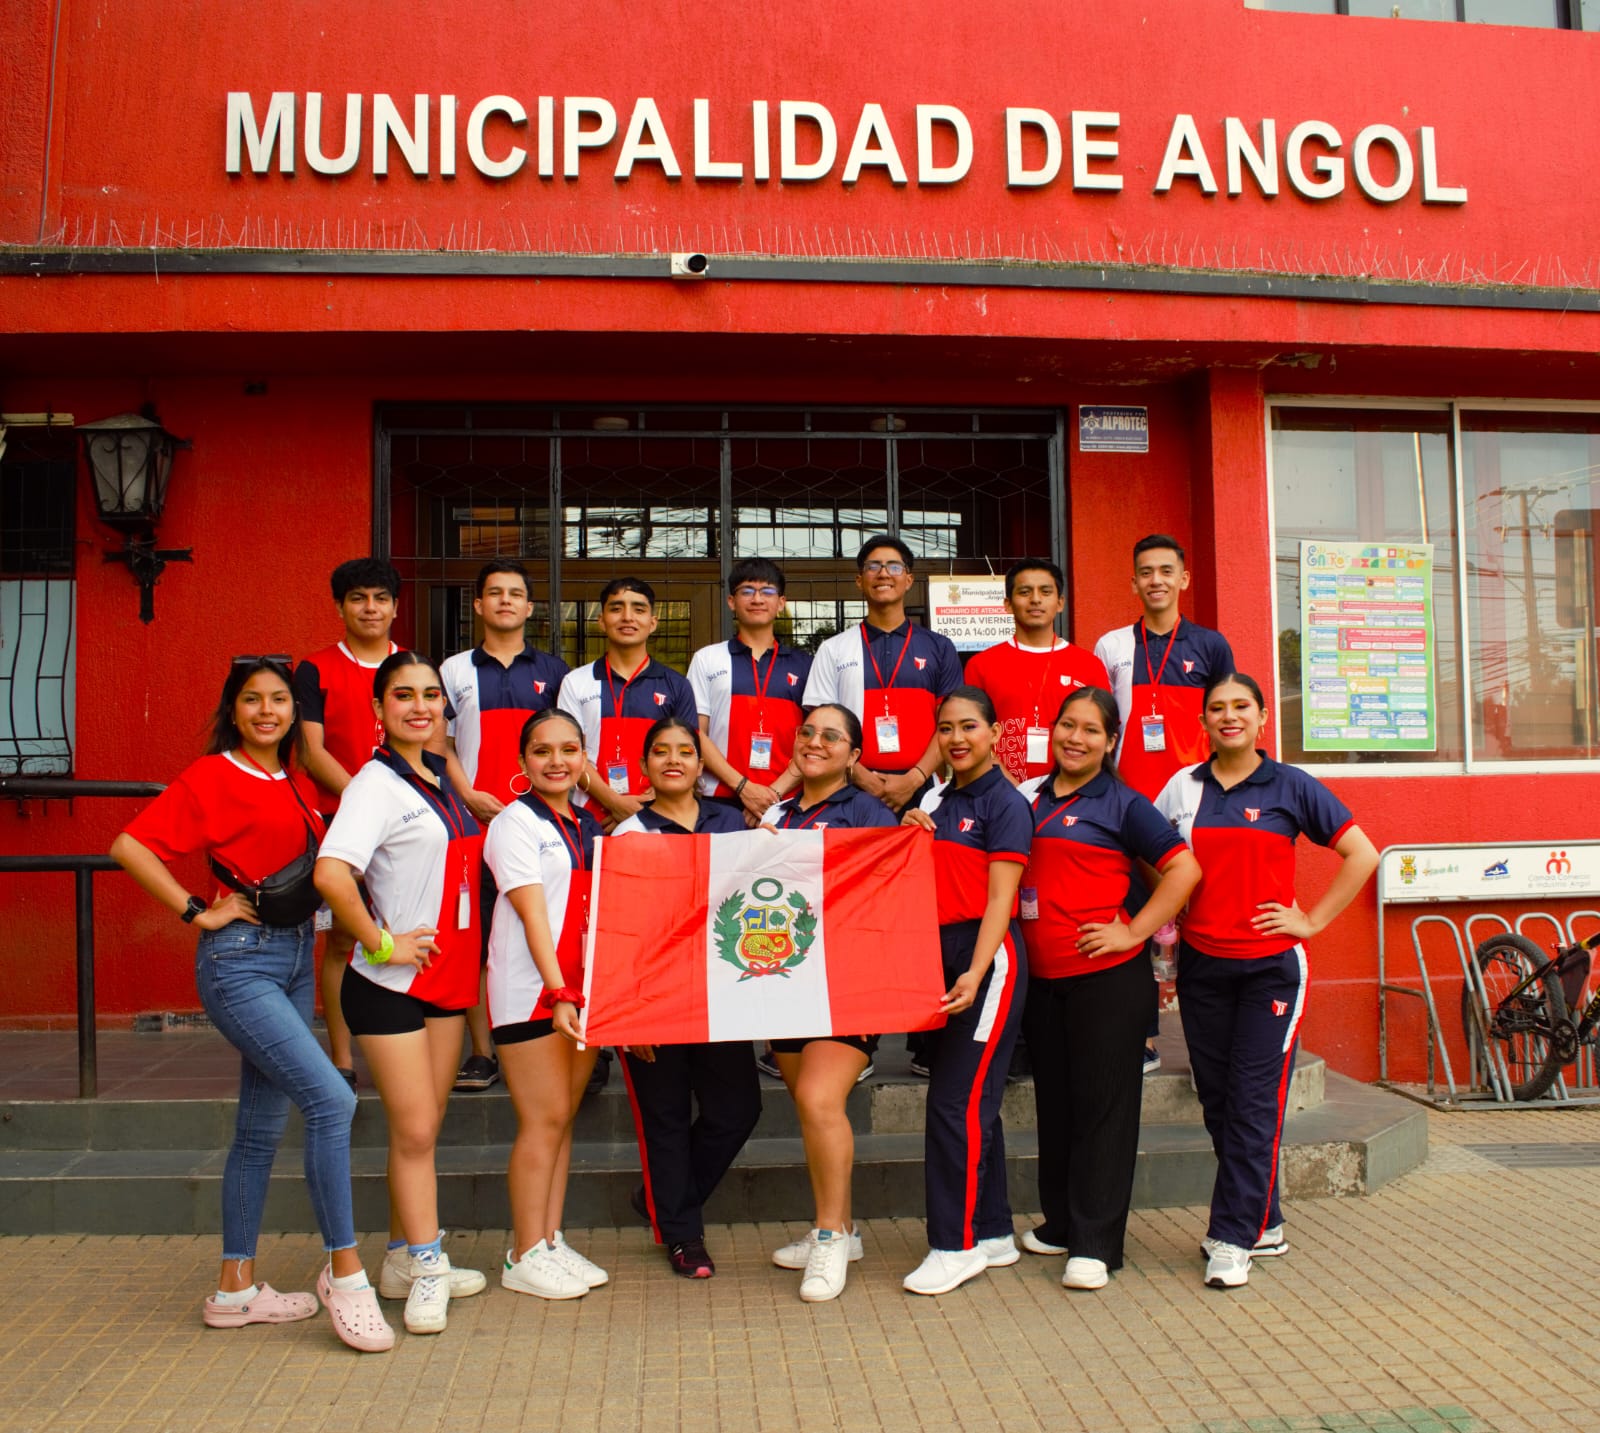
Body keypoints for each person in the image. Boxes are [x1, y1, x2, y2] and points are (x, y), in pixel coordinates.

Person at [110, 656, 392, 1352]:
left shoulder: (298, 781)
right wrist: (194, 910)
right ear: (232, 711)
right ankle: (346, 1273)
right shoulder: (211, 775)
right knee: (334, 1100)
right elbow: (128, 844)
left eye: (280, 700)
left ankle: (236, 1289)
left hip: (297, 958)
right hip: (240, 962)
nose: (267, 710)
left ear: (295, 713)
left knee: (260, 1126)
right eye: (252, 700)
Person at [1155, 673, 1378, 1290]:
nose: (1228, 717)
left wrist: (1309, 921)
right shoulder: (1183, 787)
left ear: (1261, 718)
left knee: (1255, 1103)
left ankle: (1233, 1237)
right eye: (1217, 709)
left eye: (1240, 708)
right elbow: (1150, 855)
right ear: (1203, 721)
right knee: (1220, 1101)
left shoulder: (1290, 785)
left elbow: (1363, 854)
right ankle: (1266, 1218)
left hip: (1271, 970)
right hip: (1201, 967)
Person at [312, 651, 489, 1335]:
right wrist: (382, 941)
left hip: (445, 981)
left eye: (431, 695)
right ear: (379, 711)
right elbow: (332, 874)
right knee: (414, 1129)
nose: (420, 706)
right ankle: (428, 1262)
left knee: (423, 1130)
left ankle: (399, 1258)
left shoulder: (441, 774)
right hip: (390, 984)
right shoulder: (374, 785)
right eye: (404, 696)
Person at [1015, 687, 1201, 1290]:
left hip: (1106, 983)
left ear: (1111, 740)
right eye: (1066, 725)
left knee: (1104, 1113)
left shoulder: (1123, 803)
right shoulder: (1030, 798)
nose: (1075, 737)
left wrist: (1133, 932)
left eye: (1091, 730)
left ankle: (1097, 1244)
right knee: (1058, 1107)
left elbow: (1184, 870)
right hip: (1042, 983)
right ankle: (1063, 1223)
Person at [612, 717, 761, 1278]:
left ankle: (661, 1198)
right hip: (652, 1000)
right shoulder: (628, 836)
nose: (673, 760)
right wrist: (627, 1016)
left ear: (702, 766)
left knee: (738, 1109)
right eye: (660, 752)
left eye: (685, 752)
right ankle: (682, 1235)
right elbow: (618, 933)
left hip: (722, 996)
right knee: (666, 1119)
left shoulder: (733, 824)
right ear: (645, 765)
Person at [760, 703, 897, 1303]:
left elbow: (882, 897)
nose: (816, 742)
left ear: (853, 755)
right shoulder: (778, 812)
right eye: (808, 732)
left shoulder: (869, 811)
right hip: (784, 984)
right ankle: (843, 1226)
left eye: (832, 736)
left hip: (845, 985)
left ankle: (828, 1238)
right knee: (809, 1109)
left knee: (819, 1100)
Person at [899, 687, 1031, 1296]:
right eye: (946, 729)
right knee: (973, 1103)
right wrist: (910, 829)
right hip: (939, 956)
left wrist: (975, 973)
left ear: (995, 731)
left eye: (969, 727)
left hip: (985, 962)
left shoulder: (1005, 803)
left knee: (953, 1105)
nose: (956, 739)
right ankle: (995, 1230)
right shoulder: (938, 796)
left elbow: (1001, 901)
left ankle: (954, 1245)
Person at [1093, 535, 1234, 1075]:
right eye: (1145, 572)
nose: (1155, 580)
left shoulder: (1210, 645)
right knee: (1132, 916)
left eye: (1165, 571)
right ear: (1132, 582)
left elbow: (1226, 719)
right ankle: (1143, 1036)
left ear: (1184, 579)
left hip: (1193, 799)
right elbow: (1102, 724)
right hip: (1127, 803)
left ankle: (1208, 1040)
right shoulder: (1111, 647)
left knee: (1200, 917)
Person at [482, 708, 608, 1300]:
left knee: (562, 1118)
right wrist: (559, 992)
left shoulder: (588, 824)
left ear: (586, 759)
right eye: (542, 751)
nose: (556, 761)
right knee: (542, 1120)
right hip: (532, 990)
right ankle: (522, 1252)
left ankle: (549, 1240)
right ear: (522, 761)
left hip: (582, 989)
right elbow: (534, 916)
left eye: (568, 749)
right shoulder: (513, 824)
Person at [437, 560, 570, 1093]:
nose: (506, 601)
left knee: (548, 928)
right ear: (478, 605)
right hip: (473, 821)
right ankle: (481, 1050)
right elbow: (439, 744)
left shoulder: (557, 672)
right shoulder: (453, 671)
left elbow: (564, 745)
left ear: (531, 607)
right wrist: (467, 794)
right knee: (479, 937)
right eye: (495, 593)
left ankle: (553, 1027)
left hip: (541, 824)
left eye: (516, 593)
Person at [293, 557, 402, 1087]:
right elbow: (312, 753)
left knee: (408, 932)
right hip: (342, 824)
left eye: (380, 598)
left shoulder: (412, 665)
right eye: (358, 598)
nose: (370, 608)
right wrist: (367, 801)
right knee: (341, 940)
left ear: (395, 607)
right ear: (340, 606)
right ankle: (340, 1057)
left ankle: (407, 1049)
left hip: (407, 825)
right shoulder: (314, 668)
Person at [804, 535, 963, 815]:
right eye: (873, 566)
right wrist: (861, 775)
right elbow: (820, 728)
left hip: (924, 789)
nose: (884, 574)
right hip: (850, 788)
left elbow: (950, 725)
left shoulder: (939, 647)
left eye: (894, 567)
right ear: (859, 580)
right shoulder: (834, 649)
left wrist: (914, 778)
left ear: (909, 580)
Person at [556, 576, 697, 829]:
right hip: (593, 819)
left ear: (653, 623)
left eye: (639, 609)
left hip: (662, 817)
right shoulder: (575, 682)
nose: (627, 617)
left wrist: (646, 806)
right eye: (616, 608)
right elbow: (569, 754)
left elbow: (686, 754)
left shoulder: (677, 685)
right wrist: (614, 802)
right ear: (601, 620)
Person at [963, 557, 1109, 787]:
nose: (1036, 599)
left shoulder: (1089, 665)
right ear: (1008, 604)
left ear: (1060, 603)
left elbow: (1103, 733)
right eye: (1024, 592)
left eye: (1045, 591)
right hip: (999, 792)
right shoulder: (981, 665)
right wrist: (1010, 789)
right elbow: (970, 733)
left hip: (1072, 794)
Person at [688, 557, 811, 823]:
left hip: (788, 800)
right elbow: (696, 732)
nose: (757, 599)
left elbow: (815, 740)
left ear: (781, 603)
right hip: (719, 799)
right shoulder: (707, 659)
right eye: (747, 591)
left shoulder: (805, 664)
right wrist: (744, 787)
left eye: (767, 591)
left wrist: (772, 794)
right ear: (731, 602)